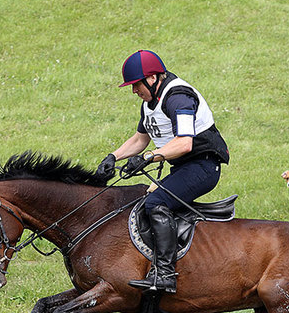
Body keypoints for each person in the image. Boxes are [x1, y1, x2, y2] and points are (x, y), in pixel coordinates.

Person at [96, 50, 229, 294]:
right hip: (184, 167)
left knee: (156, 202)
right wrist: (113, 157)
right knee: (142, 196)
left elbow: (185, 143)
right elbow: (140, 139)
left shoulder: (178, 97)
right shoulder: (149, 104)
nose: (134, 91)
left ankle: (166, 275)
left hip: (204, 166)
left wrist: (147, 159)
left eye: (136, 85)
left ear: (153, 78)